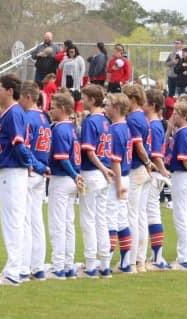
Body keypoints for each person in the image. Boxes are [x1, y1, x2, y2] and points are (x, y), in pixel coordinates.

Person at [0, 74, 46, 286]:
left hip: (13, 171)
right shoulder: (13, 113)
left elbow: (20, 146)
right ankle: (18, 268)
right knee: (18, 222)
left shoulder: (13, 113)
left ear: (10, 91)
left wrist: (37, 166)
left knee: (12, 223)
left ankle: (13, 271)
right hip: (13, 171)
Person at [47, 93, 84, 279]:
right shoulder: (72, 128)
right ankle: (68, 265)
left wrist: (74, 174)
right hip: (71, 180)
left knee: (58, 225)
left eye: (53, 107)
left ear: (62, 108)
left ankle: (58, 266)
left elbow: (61, 158)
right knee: (68, 224)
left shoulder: (61, 129)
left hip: (63, 178)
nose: (50, 109)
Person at [78, 84, 114, 278]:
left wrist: (102, 168)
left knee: (88, 219)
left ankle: (91, 264)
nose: (82, 101)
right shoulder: (106, 121)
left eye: (85, 98)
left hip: (93, 172)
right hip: (103, 174)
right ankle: (105, 264)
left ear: (92, 100)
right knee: (101, 219)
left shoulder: (91, 121)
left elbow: (90, 151)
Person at [19, 82, 50, 280]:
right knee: (36, 220)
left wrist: (37, 166)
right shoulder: (44, 117)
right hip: (42, 172)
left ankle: (22, 266)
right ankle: (37, 266)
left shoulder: (28, 117)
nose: (19, 101)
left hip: (32, 171)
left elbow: (26, 147)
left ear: (28, 97)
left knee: (24, 221)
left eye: (21, 97)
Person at [122, 84, 152, 273]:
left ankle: (131, 261)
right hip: (144, 170)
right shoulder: (143, 117)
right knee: (141, 216)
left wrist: (147, 161)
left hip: (136, 168)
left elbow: (139, 147)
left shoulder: (133, 118)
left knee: (133, 215)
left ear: (132, 99)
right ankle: (140, 259)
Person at [165, 101, 187, 271]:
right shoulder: (183, 131)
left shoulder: (185, 132)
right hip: (182, 176)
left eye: (177, 113)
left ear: (185, 115)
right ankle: (185, 255)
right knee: (182, 216)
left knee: (181, 217)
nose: (173, 115)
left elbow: (186, 160)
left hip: (183, 176)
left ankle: (184, 258)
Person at [104, 93, 134, 274]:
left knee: (110, 219)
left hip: (118, 176)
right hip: (125, 175)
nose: (105, 107)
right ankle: (125, 261)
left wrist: (117, 185)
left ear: (116, 108)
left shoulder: (115, 129)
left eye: (108, 105)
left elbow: (115, 160)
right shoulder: (126, 127)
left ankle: (105, 262)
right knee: (122, 219)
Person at [143, 88, 171, 270]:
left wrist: (162, 171)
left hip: (153, 174)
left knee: (150, 213)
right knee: (150, 213)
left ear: (152, 105)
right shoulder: (155, 124)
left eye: (145, 102)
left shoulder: (153, 125)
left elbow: (156, 155)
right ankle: (155, 255)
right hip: (155, 172)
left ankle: (157, 256)